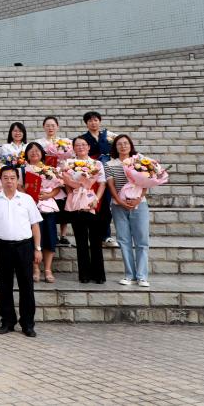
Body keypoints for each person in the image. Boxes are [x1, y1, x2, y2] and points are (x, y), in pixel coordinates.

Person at [0, 166, 42, 337]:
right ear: (0, 180)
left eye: (12, 178)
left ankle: (28, 323)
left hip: (24, 247)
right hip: (2, 247)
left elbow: (35, 225)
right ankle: (7, 321)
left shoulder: (27, 199)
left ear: (18, 180)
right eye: (5, 178)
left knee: (26, 286)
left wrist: (37, 248)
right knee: (4, 286)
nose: (9, 181)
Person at [105, 134, 150, 287]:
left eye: (126, 143)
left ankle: (142, 276)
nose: (123, 146)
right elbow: (111, 186)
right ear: (115, 147)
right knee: (124, 241)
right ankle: (129, 275)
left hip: (139, 205)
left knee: (142, 241)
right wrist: (119, 201)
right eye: (119, 144)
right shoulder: (109, 164)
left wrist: (139, 198)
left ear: (131, 145)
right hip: (118, 206)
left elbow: (146, 183)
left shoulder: (139, 161)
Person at [61, 136, 106, 284]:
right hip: (77, 204)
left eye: (83, 144)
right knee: (81, 241)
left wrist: (96, 199)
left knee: (96, 240)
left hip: (93, 204)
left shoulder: (96, 163)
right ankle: (84, 274)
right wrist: (72, 194)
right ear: (73, 148)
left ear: (88, 147)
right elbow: (66, 183)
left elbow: (102, 183)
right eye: (77, 145)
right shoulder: (69, 164)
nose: (81, 147)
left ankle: (98, 275)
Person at [23, 141, 58, 283]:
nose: (34, 152)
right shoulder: (22, 170)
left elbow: (58, 187)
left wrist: (48, 195)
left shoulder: (50, 169)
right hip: (29, 207)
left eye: (37, 150)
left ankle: (48, 269)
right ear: (26, 154)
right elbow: (18, 187)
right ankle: (35, 268)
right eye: (31, 150)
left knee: (49, 238)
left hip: (47, 207)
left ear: (42, 153)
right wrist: (29, 192)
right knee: (32, 238)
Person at [80, 111, 116, 245]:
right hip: (91, 175)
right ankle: (93, 236)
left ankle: (106, 235)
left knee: (106, 204)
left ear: (100, 121)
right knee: (92, 203)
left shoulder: (109, 137)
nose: (93, 123)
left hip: (107, 172)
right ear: (86, 123)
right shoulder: (83, 138)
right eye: (90, 120)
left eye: (95, 120)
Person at [37, 115, 71, 246]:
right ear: (43, 127)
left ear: (57, 127)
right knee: (50, 204)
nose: (50, 128)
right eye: (47, 125)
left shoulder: (64, 142)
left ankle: (63, 234)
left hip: (61, 174)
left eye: (53, 125)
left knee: (63, 204)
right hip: (46, 177)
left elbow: (69, 157)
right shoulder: (40, 143)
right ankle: (53, 234)